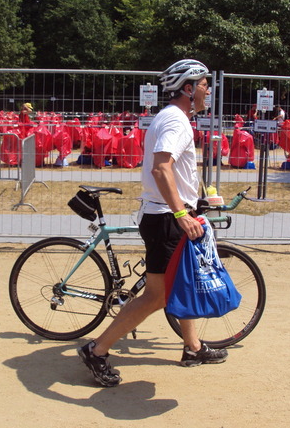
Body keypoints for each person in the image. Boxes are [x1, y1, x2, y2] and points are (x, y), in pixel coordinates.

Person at [77, 59, 228, 387]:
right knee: (156, 296)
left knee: (182, 283)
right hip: (165, 219)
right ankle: (97, 349)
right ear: (188, 88)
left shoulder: (172, 117)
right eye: (204, 84)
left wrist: (191, 204)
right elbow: (162, 168)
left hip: (165, 214)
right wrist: (181, 213)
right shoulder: (176, 120)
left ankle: (193, 347)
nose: (208, 90)